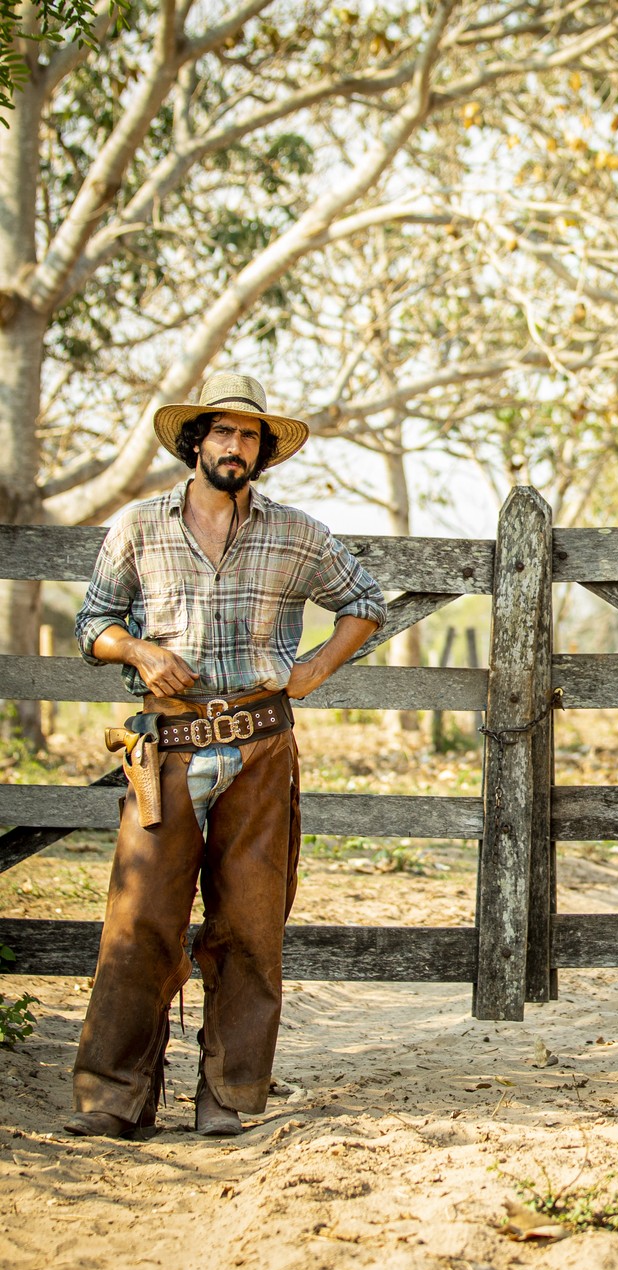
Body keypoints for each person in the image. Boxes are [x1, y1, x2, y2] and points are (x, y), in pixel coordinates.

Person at [68, 371, 386, 1139]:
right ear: (196, 440)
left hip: (260, 745)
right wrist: (140, 652)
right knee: (139, 919)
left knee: (249, 924)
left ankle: (231, 1094)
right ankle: (113, 1096)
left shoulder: (298, 532)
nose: (235, 446)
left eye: (250, 436)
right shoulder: (138, 527)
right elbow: (92, 624)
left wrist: (310, 670)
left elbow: (366, 603)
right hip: (166, 748)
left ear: (261, 451)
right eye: (223, 432)